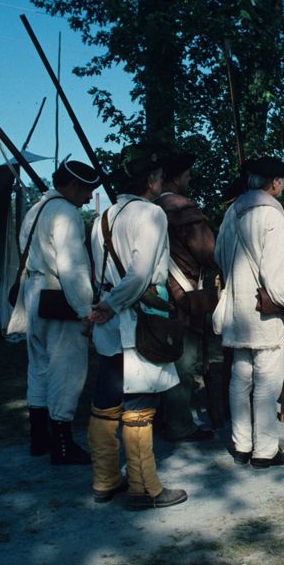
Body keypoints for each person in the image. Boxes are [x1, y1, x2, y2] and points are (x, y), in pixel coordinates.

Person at [86, 144, 188, 510]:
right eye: (159, 176)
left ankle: (105, 479)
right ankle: (144, 488)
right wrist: (112, 305)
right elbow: (141, 274)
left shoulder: (103, 217)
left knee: (106, 404)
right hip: (137, 318)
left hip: (111, 317)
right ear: (152, 179)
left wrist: (104, 307)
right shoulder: (151, 214)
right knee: (139, 407)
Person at [213, 156, 284, 468]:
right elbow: (277, 268)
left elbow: (218, 256)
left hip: (238, 308)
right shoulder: (271, 213)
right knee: (267, 380)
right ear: (275, 183)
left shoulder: (231, 212)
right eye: (281, 182)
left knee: (240, 377)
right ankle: (264, 450)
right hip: (265, 311)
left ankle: (241, 445)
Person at [13, 160, 99, 465]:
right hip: (58, 296)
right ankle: (62, 446)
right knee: (67, 370)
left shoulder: (35, 210)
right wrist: (85, 311)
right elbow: (73, 268)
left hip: (34, 295)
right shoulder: (65, 212)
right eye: (88, 190)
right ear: (74, 186)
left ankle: (40, 438)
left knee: (38, 367)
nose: (89, 198)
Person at [153, 149, 217, 443]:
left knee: (158, 358)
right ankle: (179, 424)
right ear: (176, 177)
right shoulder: (184, 209)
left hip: (157, 295)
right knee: (183, 361)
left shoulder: (149, 208)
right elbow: (209, 252)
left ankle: (158, 418)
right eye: (187, 174)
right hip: (184, 296)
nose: (190, 178)